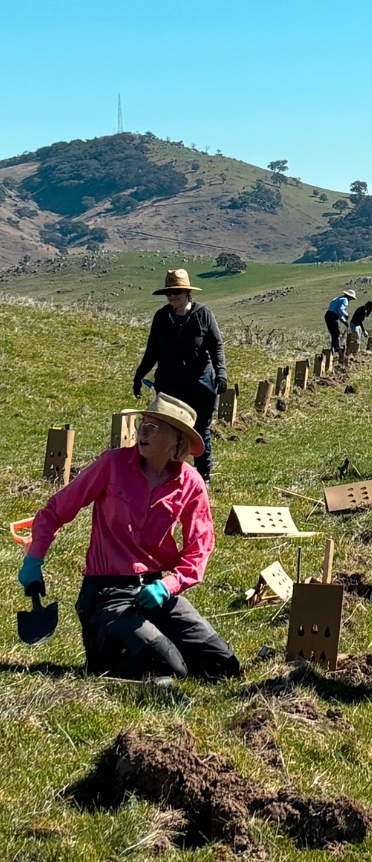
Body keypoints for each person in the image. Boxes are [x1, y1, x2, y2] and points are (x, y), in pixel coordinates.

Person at [17, 394, 241, 682]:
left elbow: (200, 548)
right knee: (170, 669)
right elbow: (54, 512)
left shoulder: (191, 483)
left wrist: (169, 585)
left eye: (154, 427)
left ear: (177, 441)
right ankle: (105, 645)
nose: (142, 431)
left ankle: (136, 645)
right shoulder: (112, 465)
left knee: (223, 667)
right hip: (106, 593)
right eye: (143, 423)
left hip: (156, 591)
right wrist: (34, 559)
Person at [133, 268, 227, 482]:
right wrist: (139, 376)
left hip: (200, 386)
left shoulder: (204, 315)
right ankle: (171, 476)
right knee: (169, 432)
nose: (173, 296)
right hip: (170, 387)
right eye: (169, 293)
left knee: (200, 432)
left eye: (177, 292)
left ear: (187, 293)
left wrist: (221, 374)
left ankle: (204, 479)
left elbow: (217, 346)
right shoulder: (161, 317)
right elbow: (152, 351)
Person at [324, 289, 356, 354]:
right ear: (349, 296)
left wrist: (345, 322)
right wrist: (346, 315)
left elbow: (338, 313)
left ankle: (333, 349)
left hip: (328, 315)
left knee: (334, 333)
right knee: (336, 333)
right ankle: (337, 349)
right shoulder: (345, 300)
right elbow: (340, 310)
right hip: (333, 316)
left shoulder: (339, 298)